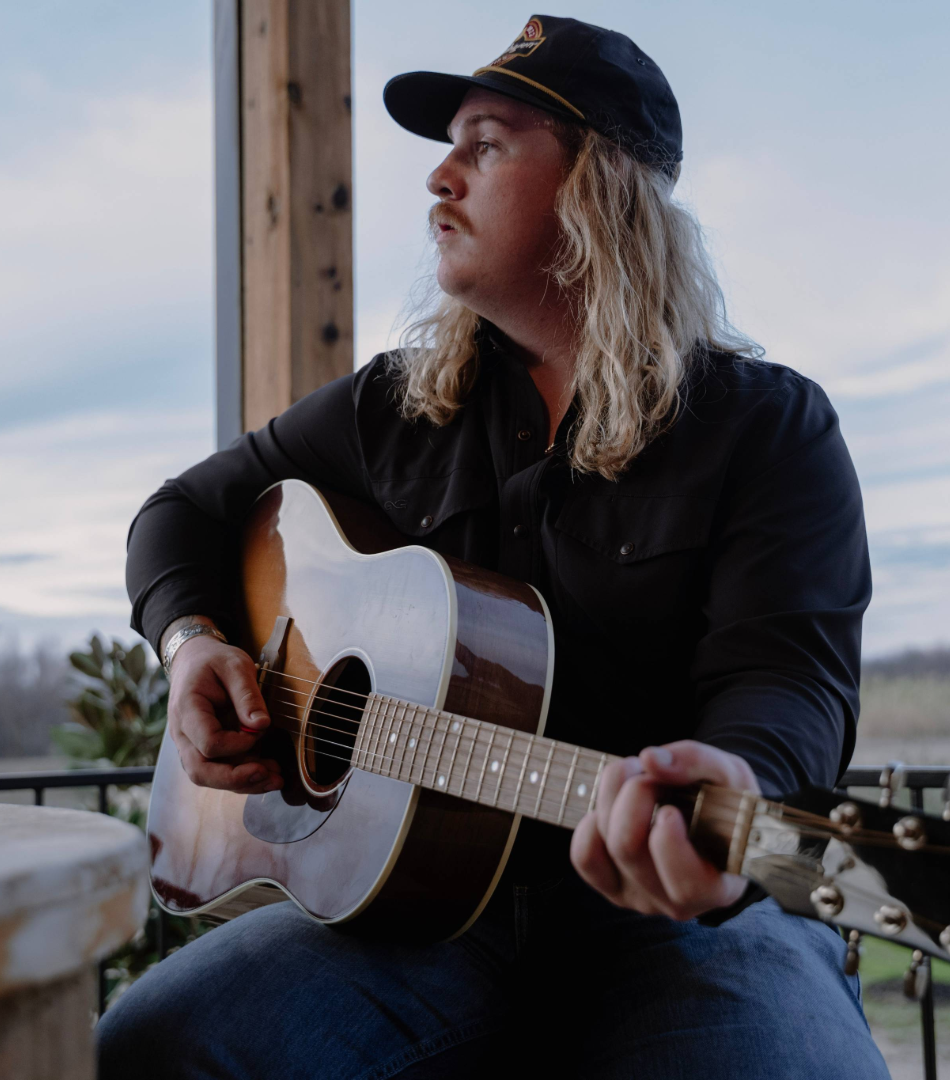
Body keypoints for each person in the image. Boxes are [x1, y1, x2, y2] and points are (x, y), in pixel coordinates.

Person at [99, 15, 890, 1080]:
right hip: (420, 921)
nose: (439, 177)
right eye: (449, 148)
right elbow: (179, 513)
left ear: (597, 189)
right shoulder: (391, 408)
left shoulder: (763, 427)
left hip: (687, 917)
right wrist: (191, 641)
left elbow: (790, 676)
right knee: (148, 1047)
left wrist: (734, 780)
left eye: (484, 145)